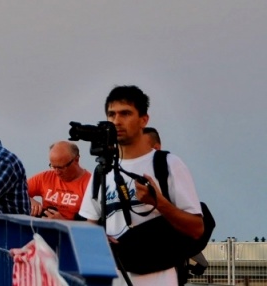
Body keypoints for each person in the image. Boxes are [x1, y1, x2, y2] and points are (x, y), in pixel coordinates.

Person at [78, 85, 204, 286]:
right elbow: (89, 223)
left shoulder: (168, 164)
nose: (117, 121)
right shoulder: (102, 170)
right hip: (113, 276)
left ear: (144, 120)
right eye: (111, 114)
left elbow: (197, 229)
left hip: (158, 277)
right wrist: (96, 239)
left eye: (125, 113)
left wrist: (160, 204)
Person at [28, 141, 91, 220]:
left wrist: (62, 222)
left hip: (73, 230)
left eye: (61, 167)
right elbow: (16, 191)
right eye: (53, 167)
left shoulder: (91, 184)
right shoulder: (45, 177)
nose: (57, 172)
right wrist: (30, 200)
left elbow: (93, 224)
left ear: (76, 160)